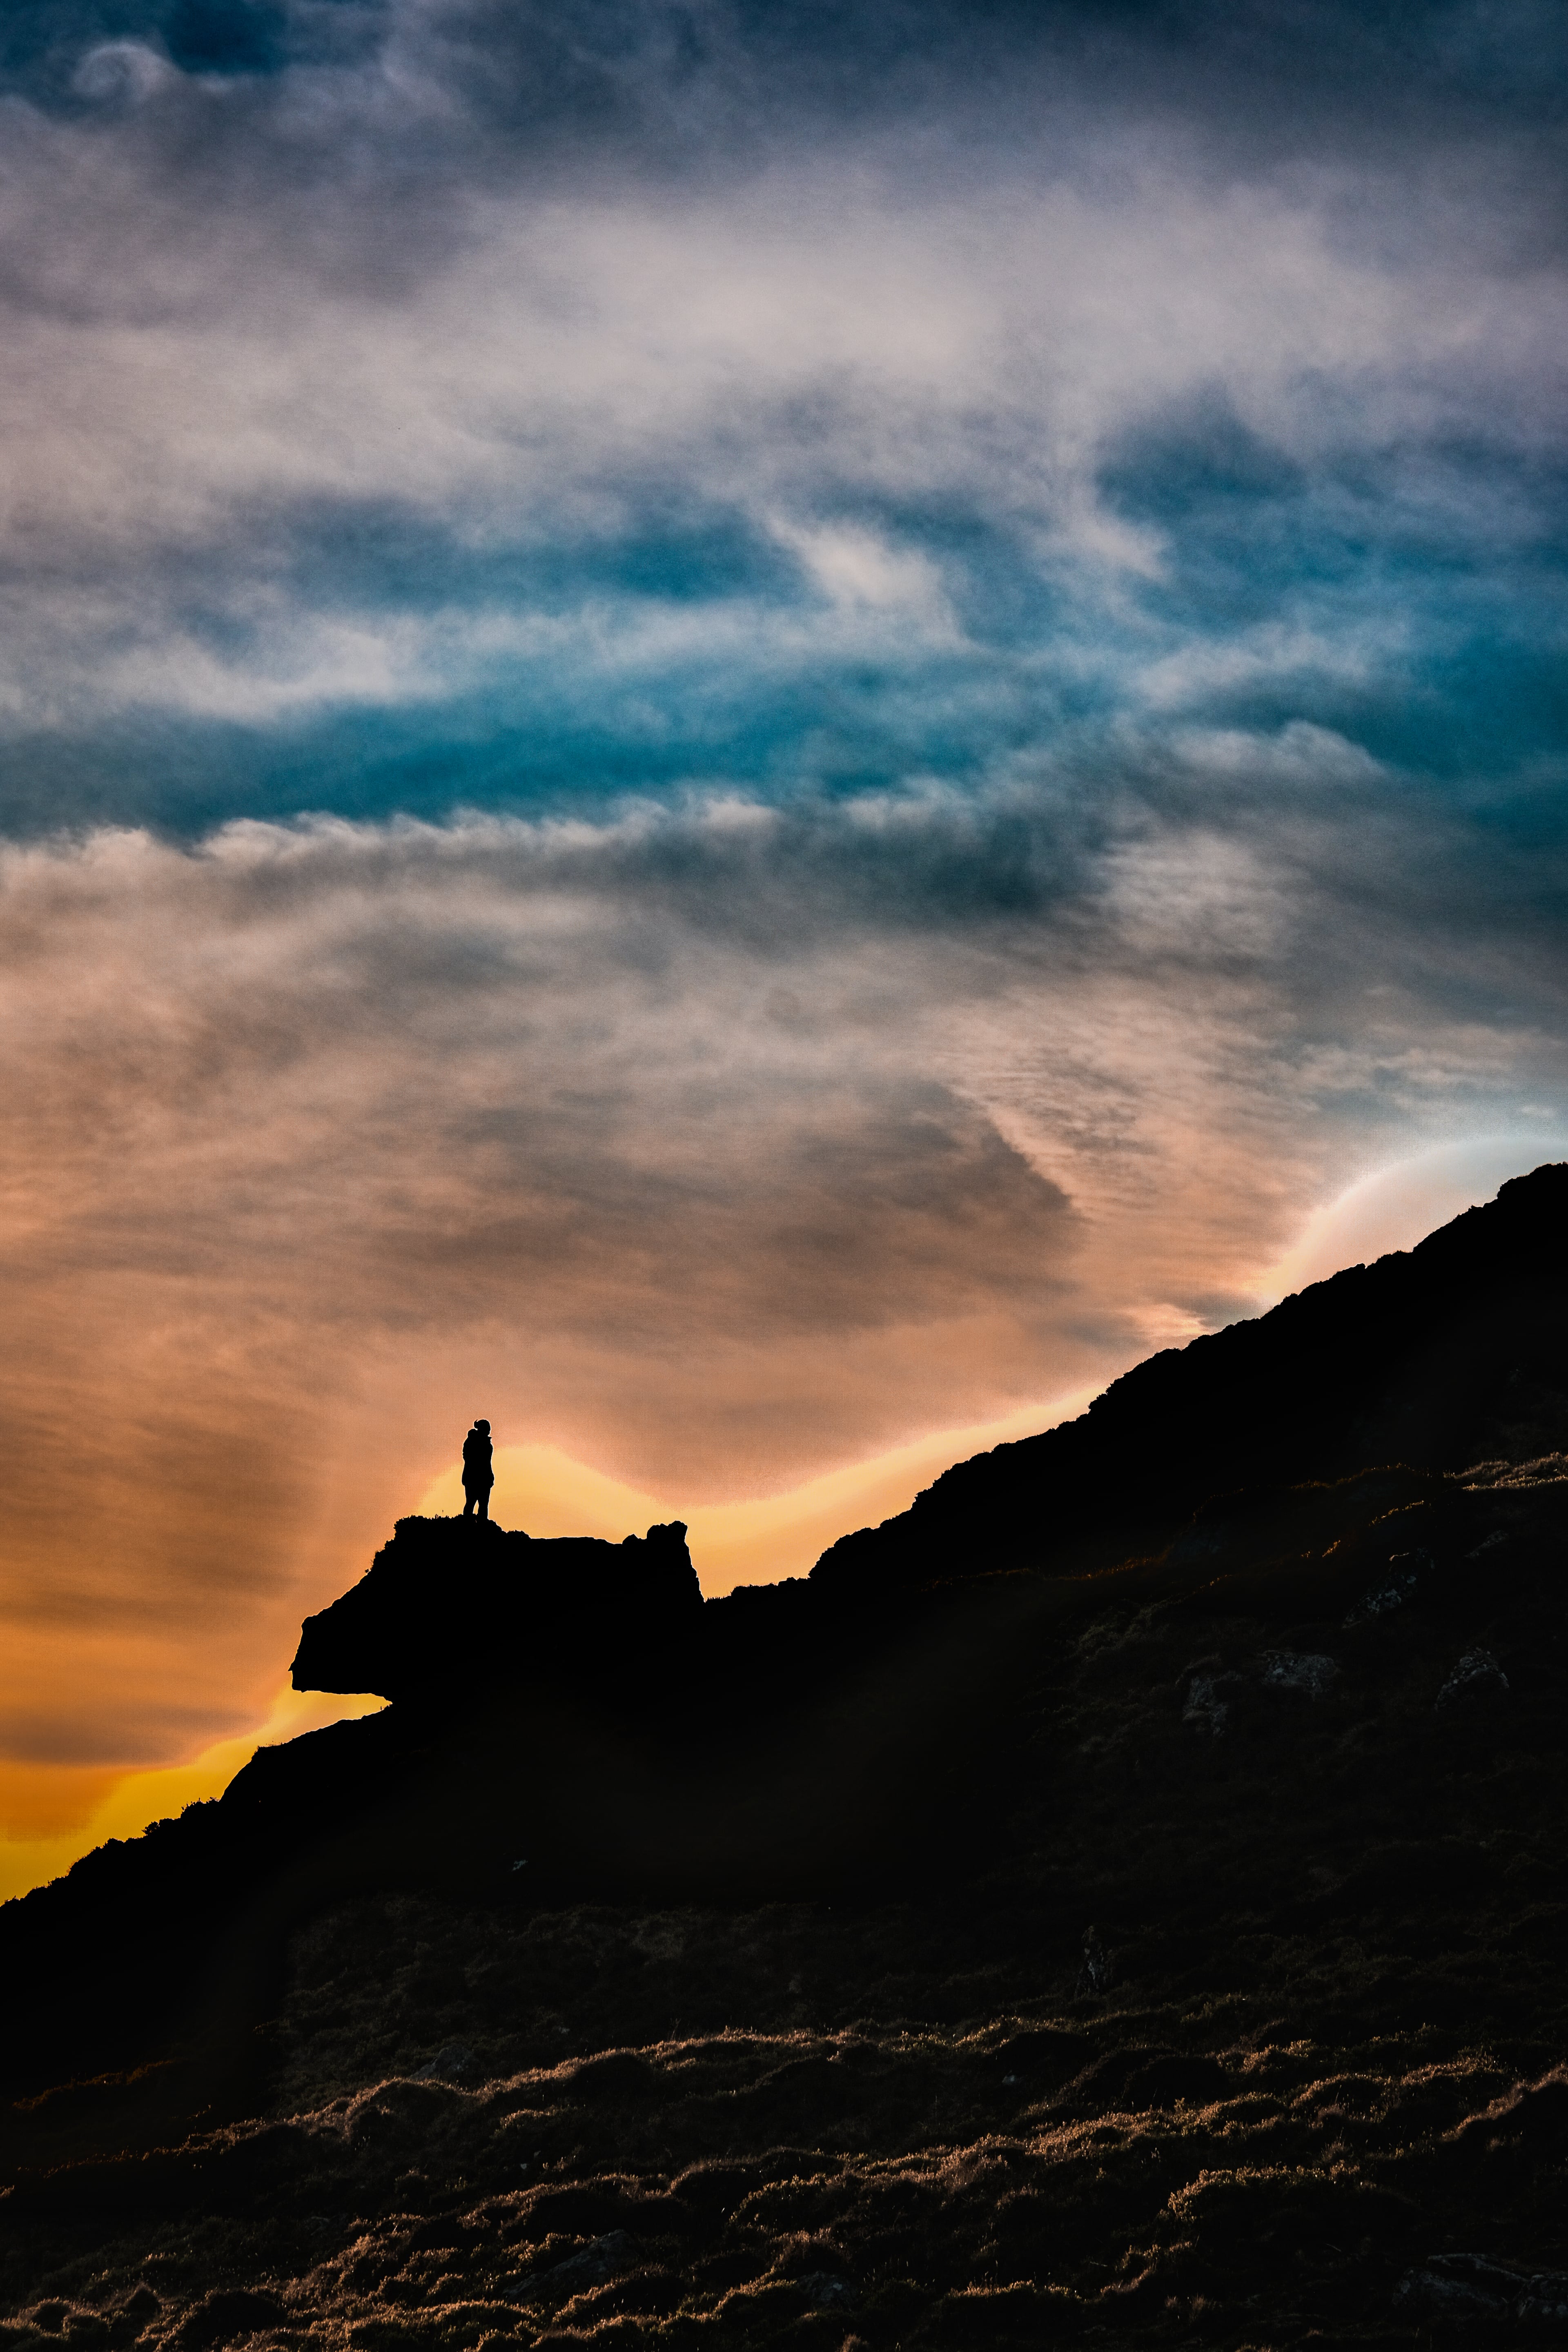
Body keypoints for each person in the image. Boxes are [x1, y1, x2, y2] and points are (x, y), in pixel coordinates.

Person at [461, 1419, 494, 1519]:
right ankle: (468, 1526)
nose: (488, 1431)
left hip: (484, 1479)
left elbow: (487, 1463)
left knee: (483, 1505)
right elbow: (468, 1457)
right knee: (471, 1504)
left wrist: (490, 1477)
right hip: (474, 1479)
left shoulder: (488, 1445)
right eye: (487, 1429)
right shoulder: (472, 1442)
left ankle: (482, 1527)